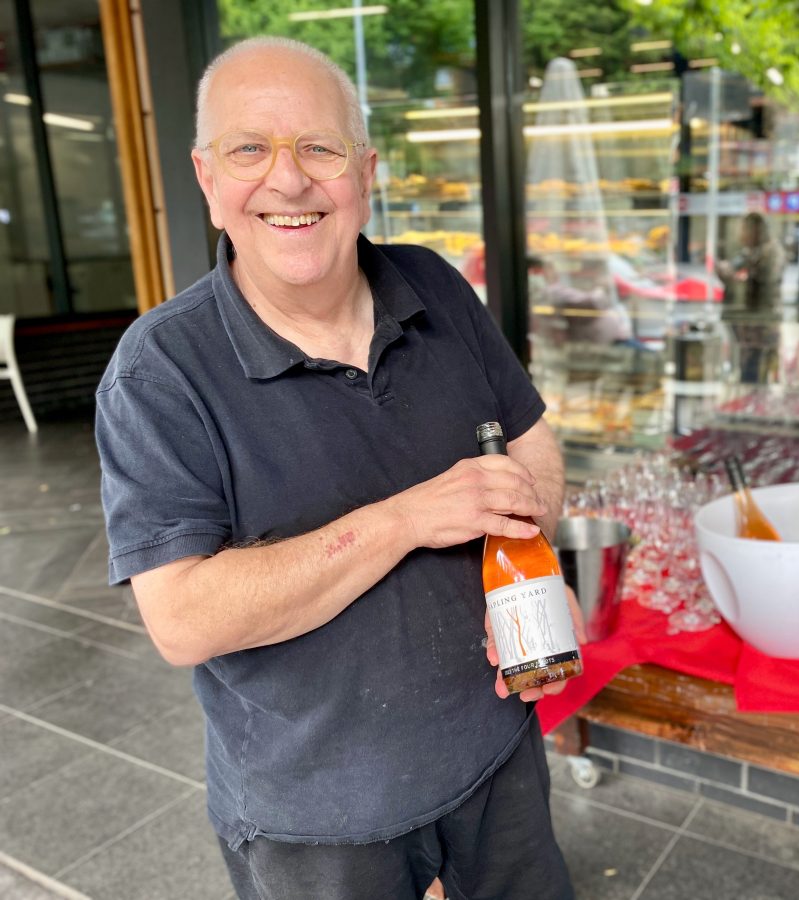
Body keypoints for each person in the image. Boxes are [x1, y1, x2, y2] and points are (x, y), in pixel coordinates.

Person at [94, 37, 578, 900]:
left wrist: (532, 561)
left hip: (497, 752)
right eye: (250, 150)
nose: (287, 181)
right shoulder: (160, 370)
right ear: (207, 179)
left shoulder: (432, 282)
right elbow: (183, 621)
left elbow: (533, 440)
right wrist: (403, 519)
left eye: (318, 147)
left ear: (365, 171)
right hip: (320, 820)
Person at [717, 212, 785, 383]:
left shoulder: (771, 252)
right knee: (747, 368)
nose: (742, 235)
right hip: (748, 323)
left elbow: (765, 281)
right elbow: (733, 268)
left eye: (746, 229)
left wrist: (737, 277)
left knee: (757, 370)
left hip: (761, 323)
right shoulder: (752, 252)